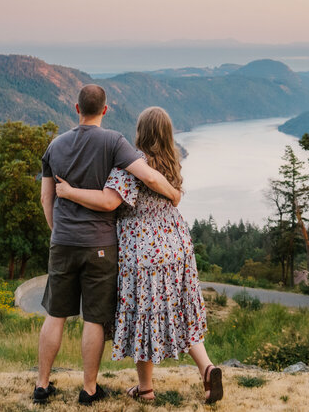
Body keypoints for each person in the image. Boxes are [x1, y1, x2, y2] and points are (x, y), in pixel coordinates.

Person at [54, 106, 223, 404]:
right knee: (180, 310)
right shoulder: (174, 162)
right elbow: (171, 195)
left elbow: (108, 201)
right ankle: (207, 370)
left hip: (143, 249)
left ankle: (145, 390)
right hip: (176, 244)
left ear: (140, 132)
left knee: (144, 315)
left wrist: (70, 192)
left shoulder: (131, 165)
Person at [35, 85, 181, 406]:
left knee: (55, 314)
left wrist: (57, 231)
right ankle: (89, 390)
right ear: (105, 109)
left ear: (76, 108)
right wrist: (173, 194)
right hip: (100, 245)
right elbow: (150, 177)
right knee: (94, 319)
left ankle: (42, 386)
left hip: (62, 242)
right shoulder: (113, 141)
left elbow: (47, 198)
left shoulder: (55, 146)